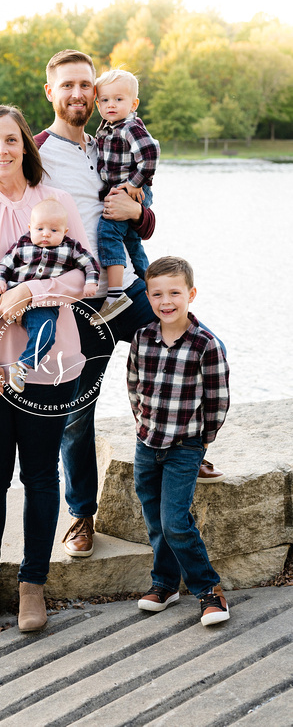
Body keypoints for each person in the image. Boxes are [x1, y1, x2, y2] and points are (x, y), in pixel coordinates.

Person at [35, 49, 223, 560]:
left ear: (97, 93)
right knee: (77, 413)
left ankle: (189, 448)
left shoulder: (107, 139)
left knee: (190, 343)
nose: (79, 94)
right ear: (51, 92)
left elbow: (145, 215)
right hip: (77, 300)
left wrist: (138, 210)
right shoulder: (36, 151)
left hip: (127, 288)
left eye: (86, 86)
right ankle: (81, 516)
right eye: (68, 85)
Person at [0, 105, 92, 632]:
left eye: (10, 140)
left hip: (51, 361)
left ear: (26, 145)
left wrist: (34, 289)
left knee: (42, 474)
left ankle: (32, 586)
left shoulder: (59, 203)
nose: (1, 150)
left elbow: (86, 280)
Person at [128, 257, 230, 626]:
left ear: (191, 294)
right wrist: (143, 424)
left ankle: (209, 590)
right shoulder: (142, 338)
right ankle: (165, 584)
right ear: (148, 296)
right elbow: (134, 387)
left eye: (174, 292)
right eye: (157, 293)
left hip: (185, 447)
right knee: (154, 519)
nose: (165, 301)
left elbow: (218, 401)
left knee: (175, 521)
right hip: (147, 443)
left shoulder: (206, 345)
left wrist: (202, 441)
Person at [0, 197, 99, 393]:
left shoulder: (70, 247)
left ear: (64, 232)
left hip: (43, 304)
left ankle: (24, 365)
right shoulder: (22, 244)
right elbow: (5, 264)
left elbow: (89, 263)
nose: (46, 234)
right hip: (10, 289)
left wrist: (91, 281)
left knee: (46, 332)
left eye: (54, 230)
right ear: (30, 228)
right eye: (40, 229)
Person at [90, 69, 159, 326]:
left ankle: (115, 294)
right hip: (122, 191)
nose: (111, 105)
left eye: (119, 99)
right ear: (97, 103)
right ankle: (150, 285)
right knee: (131, 242)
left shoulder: (129, 127)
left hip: (131, 191)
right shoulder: (106, 129)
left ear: (133, 103)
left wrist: (133, 184)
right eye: (105, 100)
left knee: (108, 232)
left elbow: (150, 154)